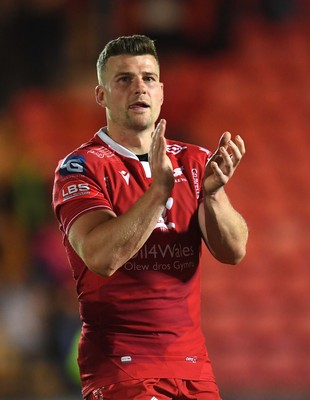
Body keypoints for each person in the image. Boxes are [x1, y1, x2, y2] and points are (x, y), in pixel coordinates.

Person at [52, 34, 248, 400]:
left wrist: (215, 194)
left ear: (161, 91)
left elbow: (234, 251)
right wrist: (159, 191)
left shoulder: (194, 162)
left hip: (193, 368)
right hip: (122, 369)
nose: (139, 87)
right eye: (124, 79)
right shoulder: (80, 168)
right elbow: (101, 257)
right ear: (102, 95)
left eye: (148, 78)